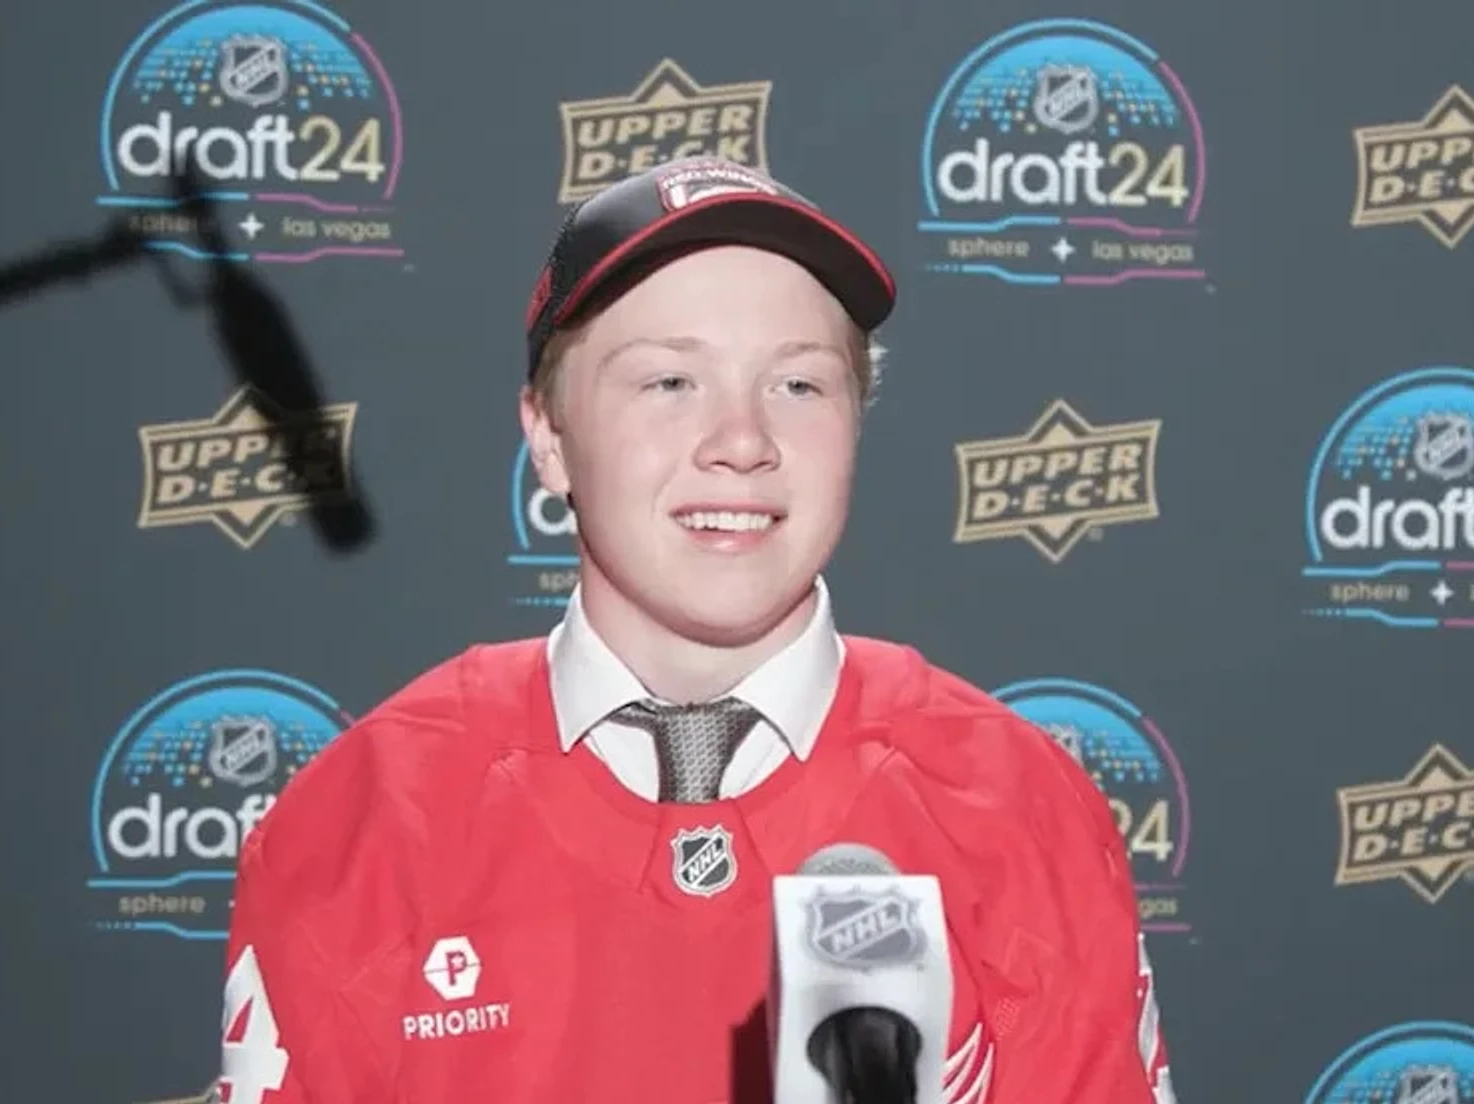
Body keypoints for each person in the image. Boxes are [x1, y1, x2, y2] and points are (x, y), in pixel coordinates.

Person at [214, 156, 1177, 1103]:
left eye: (798, 386)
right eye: (671, 382)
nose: (743, 442)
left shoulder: (1018, 808)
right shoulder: (364, 823)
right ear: (548, 437)